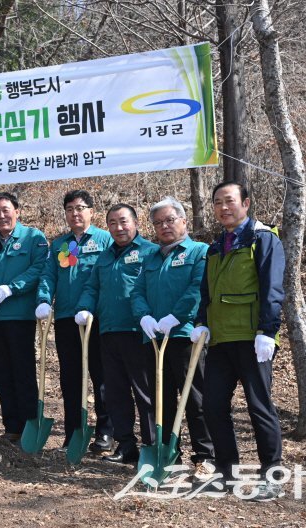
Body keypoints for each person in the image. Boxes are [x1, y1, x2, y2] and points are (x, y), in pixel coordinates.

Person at [194, 182, 285, 501]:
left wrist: (267, 331)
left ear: (245, 203)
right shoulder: (216, 246)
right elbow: (206, 291)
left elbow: (273, 288)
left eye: (230, 201)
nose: (223, 207)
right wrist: (202, 323)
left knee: (260, 406)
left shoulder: (263, 239)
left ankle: (272, 474)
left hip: (252, 338)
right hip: (220, 341)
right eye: (217, 202)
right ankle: (226, 472)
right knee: (214, 405)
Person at [131, 196, 215, 474]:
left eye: (170, 220)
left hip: (185, 337)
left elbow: (197, 289)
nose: (164, 226)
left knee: (195, 398)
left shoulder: (199, 252)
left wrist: (176, 317)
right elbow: (137, 291)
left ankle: (205, 455)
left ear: (183, 220)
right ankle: (168, 454)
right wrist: (144, 316)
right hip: (154, 338)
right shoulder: (149, 257)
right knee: (160, 400)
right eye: (158, 222)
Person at [75, 203, 159, 463]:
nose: (119, 227)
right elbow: (92, 287)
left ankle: (152, 446)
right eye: (112, 223)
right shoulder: (105, 256)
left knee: (145, 393)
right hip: (108, 332)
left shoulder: (150, 252)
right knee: (114, 392)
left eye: (123, 221)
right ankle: (126, 445)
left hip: (139, 333)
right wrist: (85, 308)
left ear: (135, 223)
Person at [35, 190, 114, 453]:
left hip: (97, 319)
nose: (75, 213)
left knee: (101, 376)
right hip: (67, 318)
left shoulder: (105, 240)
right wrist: (44, 300)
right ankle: (74, 431)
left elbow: (109, 277)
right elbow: (48, 275)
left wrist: (93, 307)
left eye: (80, 208)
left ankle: (106, 432)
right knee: (70, 377)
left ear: (92, 211)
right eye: (69, 209)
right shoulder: (60, 244)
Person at [0, 192, 49, 443]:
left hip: (21, 315)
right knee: (1, 372)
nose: (1, 216)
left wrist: (12, 287)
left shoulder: (34, 238)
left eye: (6, 210)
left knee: (22, 370)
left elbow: (39, 268)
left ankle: (29, 424)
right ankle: (11, 425)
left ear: (17, 211)